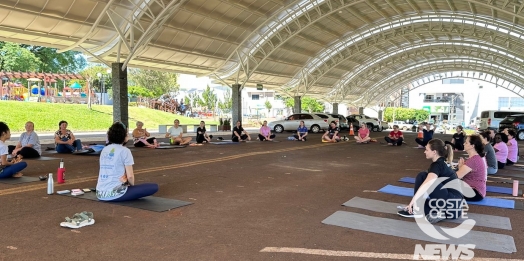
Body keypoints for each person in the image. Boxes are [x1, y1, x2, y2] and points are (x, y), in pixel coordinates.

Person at [397, 139, 463, 224]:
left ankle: (418, 209)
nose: (424, 152)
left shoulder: (437, 165)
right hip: (455, 210)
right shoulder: (442, 162)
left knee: (423, 176)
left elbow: (427, 183)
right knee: (424, 200)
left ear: (434, 152)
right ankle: (439, 213)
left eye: (427, 150)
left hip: (451, 204)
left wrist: (413, 202)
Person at [96, 122, 158, 202]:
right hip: (115, 194)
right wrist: (130, 186)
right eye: (127, 133)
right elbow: (130, 177)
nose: (128, 135)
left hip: (100, 193)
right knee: (154, 187)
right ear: (123, 136)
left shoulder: (105, 149)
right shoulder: (125, 151)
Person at [455, 135, 487, 202]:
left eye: (466, 143)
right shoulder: (475, 157)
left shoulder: (473, 160)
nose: (463, 144)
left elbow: (457, 176)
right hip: (475, 190)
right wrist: (460, 167)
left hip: (475, 192)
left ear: (473, 146)